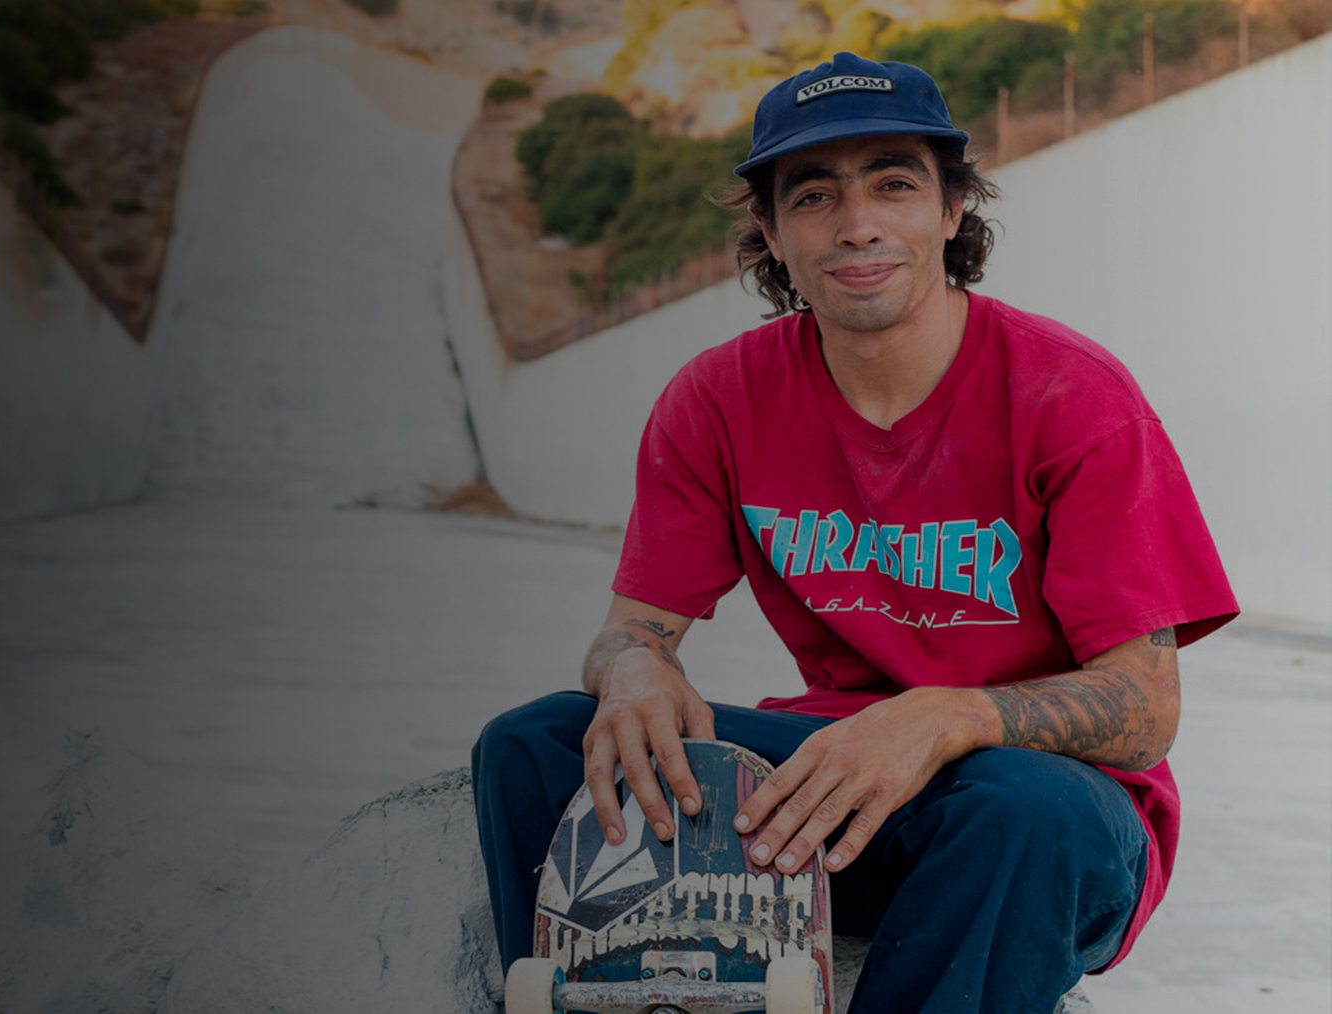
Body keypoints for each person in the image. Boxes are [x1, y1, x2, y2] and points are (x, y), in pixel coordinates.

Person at [471, 52, 1238, 1013]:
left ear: (953, 209)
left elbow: (1144, 709)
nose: (858, 223)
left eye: (894, 184)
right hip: (823, 788)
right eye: (814, 195)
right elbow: (634, 630)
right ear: (771, 230)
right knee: (536, 744)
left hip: (1035, 809)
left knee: (1026, 808)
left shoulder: (1072, 396)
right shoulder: (719, 398)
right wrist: (632, 668)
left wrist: (948, 716)